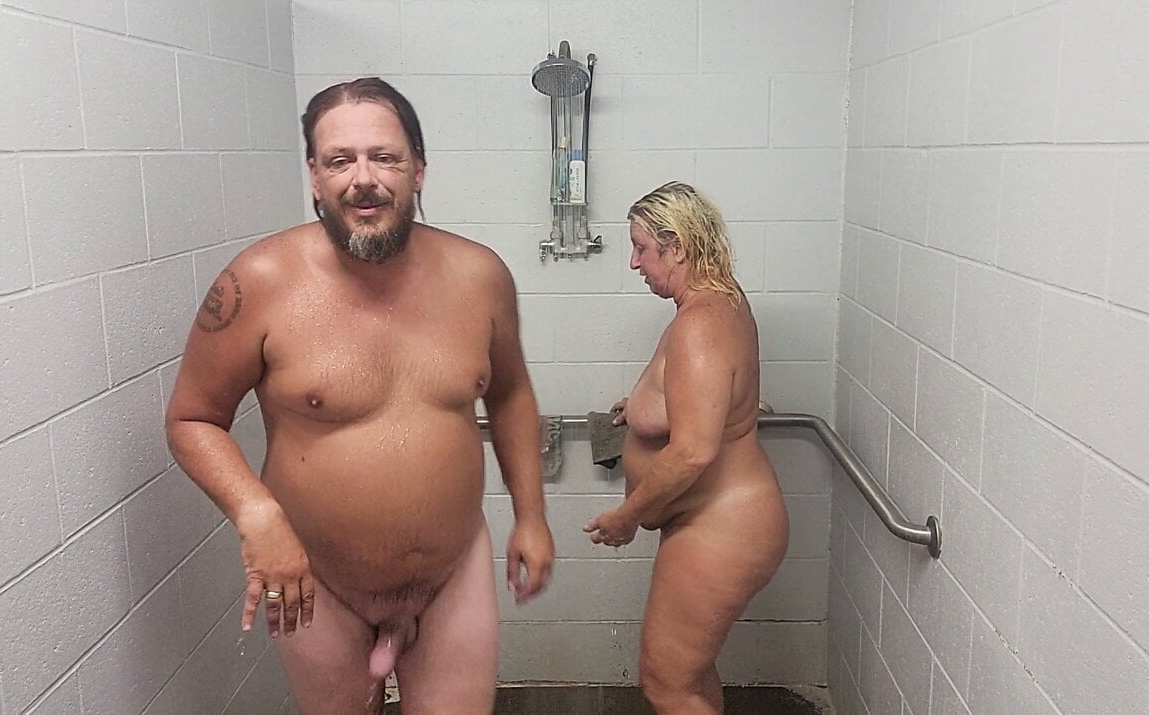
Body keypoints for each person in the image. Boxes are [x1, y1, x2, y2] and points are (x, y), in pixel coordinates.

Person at [165, 77, 554, 715]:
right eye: (340, 161)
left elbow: (510, 394)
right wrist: (258, 516)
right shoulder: (258, 280)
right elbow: (191, 419)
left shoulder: (481, 276)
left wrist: (531, 516)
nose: (363, 179)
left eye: (385, 157)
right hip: (317, 579)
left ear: (418, 170)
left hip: (452, 570)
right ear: (315, 178)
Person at [583, 182, 789, 714]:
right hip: (715, 522)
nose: (634, 263)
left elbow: (694, 451)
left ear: (676, 246)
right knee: (689, 679)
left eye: (641, 247)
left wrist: (628, 516)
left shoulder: (699, 324)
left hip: (723, 527)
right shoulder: (722, 300)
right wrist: (643, 407)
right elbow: (708, 400)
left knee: (667, 685)